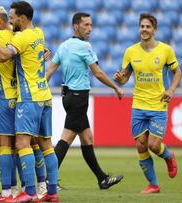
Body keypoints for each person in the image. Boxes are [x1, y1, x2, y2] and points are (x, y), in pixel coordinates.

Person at [0, 1, 58, 202]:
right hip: (44, 94)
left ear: (22, 18)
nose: (10, 21)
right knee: (45, 144)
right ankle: (51, 191)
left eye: (12, 17)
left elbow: (4, 55)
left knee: (21, 144)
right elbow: (34, 50)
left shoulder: (20, 37)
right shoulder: (38, 33)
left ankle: (28, 192)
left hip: (28, 96)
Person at [45, 12, 124, 190]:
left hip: (69, 97)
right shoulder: (84, 46)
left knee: (87, 137)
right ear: (76, 26)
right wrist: (116, 87)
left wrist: (40, 91)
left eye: (90, 24)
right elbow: (98, 72)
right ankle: (47, 180)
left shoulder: (63, 46)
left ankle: (102, 179)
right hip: (79, 98)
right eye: (86, 25)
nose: (90, 28)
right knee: (67, 137)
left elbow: (49, 71)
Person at [113, 13, 180, 194]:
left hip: (158, 105)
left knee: (153, 145)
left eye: (148, 27)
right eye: (142, 26)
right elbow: (125, 78)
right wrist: (120, 78)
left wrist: (171, 90)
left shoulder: (166, 50)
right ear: (139, 28)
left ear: (154, 30)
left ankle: (169, 156)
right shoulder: (130, 51)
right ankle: (153, 185)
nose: (144, 29)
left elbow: (178, 72)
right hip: (138, 105)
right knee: (141, 145)